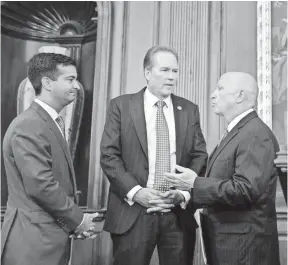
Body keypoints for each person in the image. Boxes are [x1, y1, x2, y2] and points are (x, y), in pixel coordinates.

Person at [100, 45, 208, 265]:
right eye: (165, 70)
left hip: (176, 212)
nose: (171, 77)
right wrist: (137, 192)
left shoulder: (189, 109)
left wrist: (182, 193)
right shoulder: (121, 106)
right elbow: (109, 155)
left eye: (175, 71)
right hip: (133, 212)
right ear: (147, 73)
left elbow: (199, 156)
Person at [163, 72, 280, 265]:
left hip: (244, 250)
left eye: (220, 88)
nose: (213, 94)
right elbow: (224, 183)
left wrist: (195, 183)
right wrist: (187, 194)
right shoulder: (239, 131)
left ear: (239, 96)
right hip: (230, 246)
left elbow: (245, 190)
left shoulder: (255, 134)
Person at [1, 53, 99, 265]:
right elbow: (41, 185)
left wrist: (72, 224)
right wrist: (79, 220)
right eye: (69, 79)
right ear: (47, 83)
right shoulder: (29, 124)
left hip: (47, 239)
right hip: (33, 244)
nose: (76, 86)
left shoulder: (47, 121)